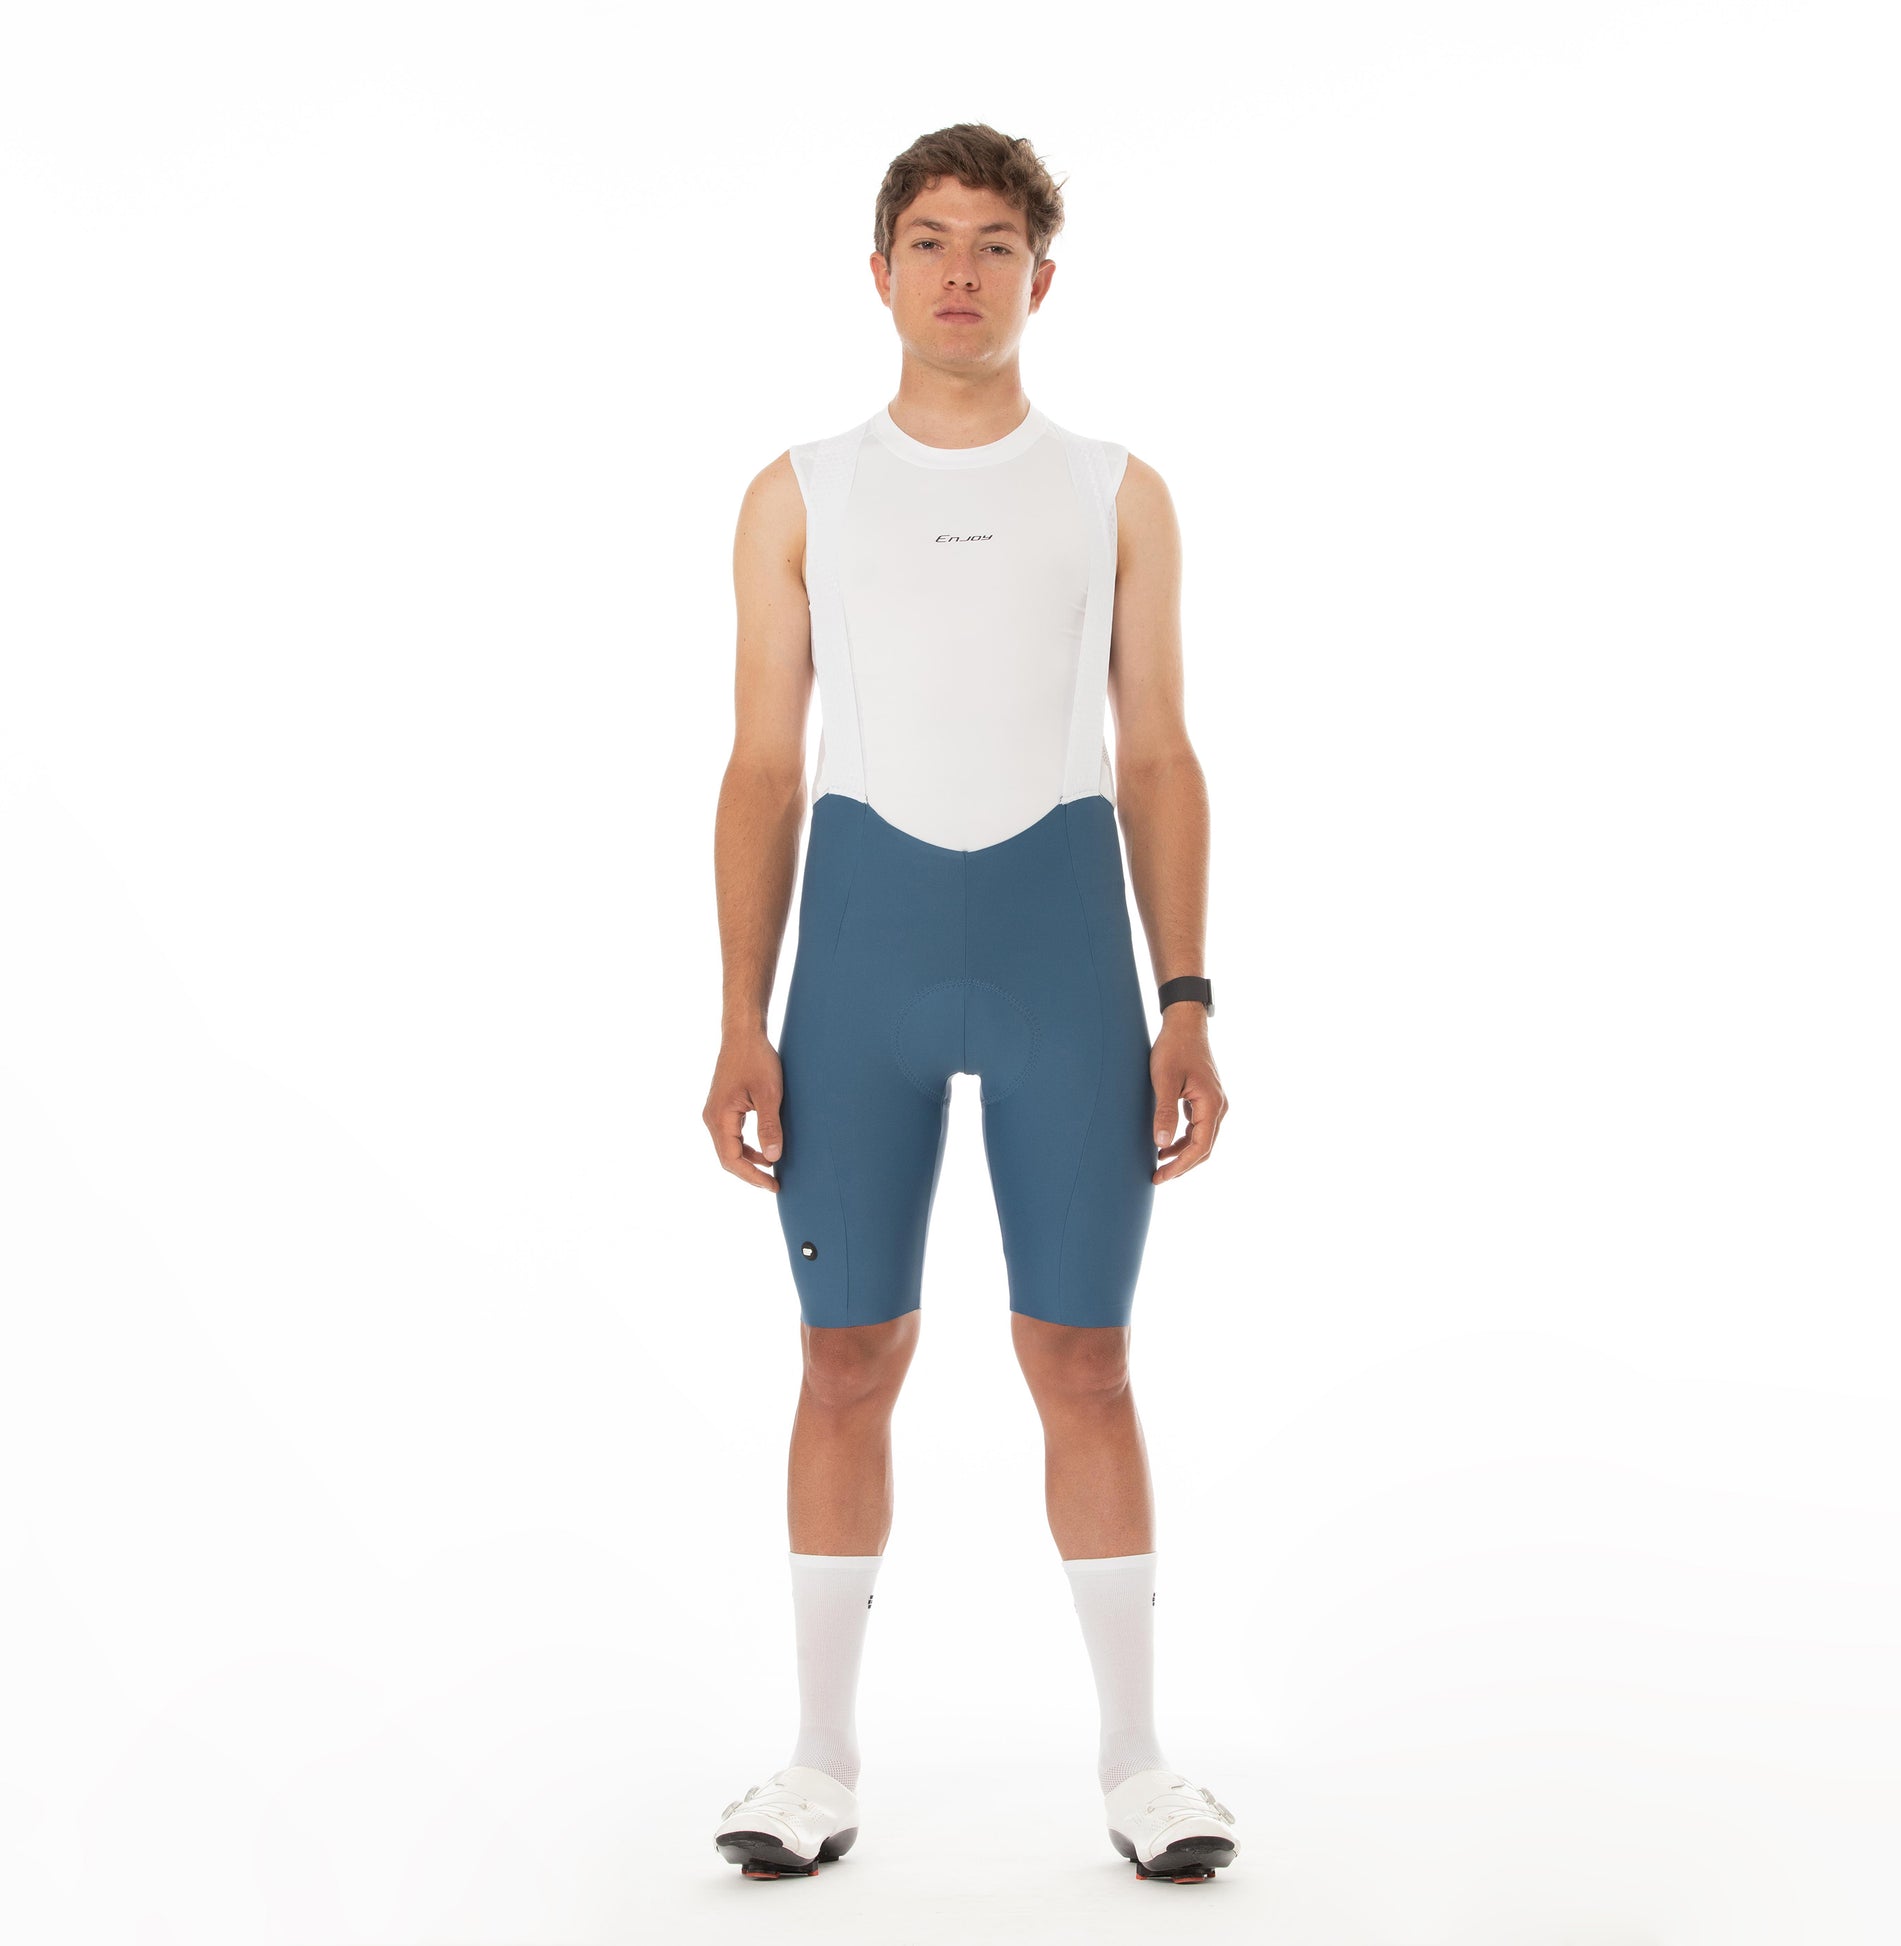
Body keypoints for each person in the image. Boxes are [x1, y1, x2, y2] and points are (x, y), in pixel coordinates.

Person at [701, 122, 1235, 1885]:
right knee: (843, 1356)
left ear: (1038, 280)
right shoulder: (799, 492)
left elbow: (1155, 754)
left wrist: (1184, 995)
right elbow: (762, 767)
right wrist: (740, 1016)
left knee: (1083, 1357)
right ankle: (816, 1758)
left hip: (1059, 960)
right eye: (928, 240)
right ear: (878, 271)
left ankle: (1140, 1763)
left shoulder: (1114, 491)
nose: (958, 271)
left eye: (992, 244)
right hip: (855, 969)